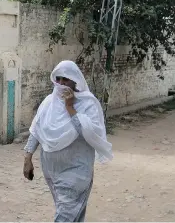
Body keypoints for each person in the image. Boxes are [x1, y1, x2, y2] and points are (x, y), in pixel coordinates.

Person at [23, 60, 113, 222]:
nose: (62, 83)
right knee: (72, 215)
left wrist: (70, 108)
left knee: (64, 216)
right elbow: (36, 129)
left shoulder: (88, 103)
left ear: (75, 80)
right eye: (59, 79)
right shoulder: (49, 102)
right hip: (52, 173)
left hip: (76, 172)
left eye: (66, 79)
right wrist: (27, 158)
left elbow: (91, 133)